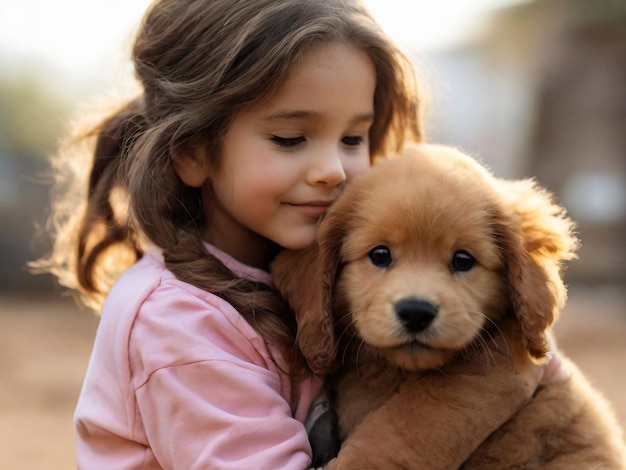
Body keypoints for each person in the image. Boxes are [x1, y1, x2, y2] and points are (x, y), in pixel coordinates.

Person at [33, 0, 566, 468]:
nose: (332, 168)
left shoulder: (316, 264)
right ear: (193, 151)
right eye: (291, 138)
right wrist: (487, 389)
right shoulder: (177, 325)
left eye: (353, 137)